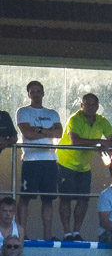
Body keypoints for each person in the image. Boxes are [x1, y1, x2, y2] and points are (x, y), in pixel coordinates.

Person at [55, 92, 112, 241]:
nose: (90, 107)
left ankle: (76, 232)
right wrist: (99, 142)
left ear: (98, 106)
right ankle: (67, 233)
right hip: (65, 162)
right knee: (65, 198)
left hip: (83, 166)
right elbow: (75, 141)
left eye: (93, 104)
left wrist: (105, 143)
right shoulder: (75, 119)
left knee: (83, 199)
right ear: (81, 105)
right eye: (87, 104)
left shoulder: (102, 121)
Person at [16, 81, 63, 240]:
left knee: (48, 199)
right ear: (29, 94)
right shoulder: (23, 111)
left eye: (38, 91)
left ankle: (47, 237)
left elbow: (59, 133)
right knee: (25, 198)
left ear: (43, 93)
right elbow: (27, 134)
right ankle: (22, 235)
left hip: (50, 160)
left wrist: (40, 129)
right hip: (31, 160)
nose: (36, 94)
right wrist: (48, 132)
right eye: (33, 92)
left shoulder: (52, 113)